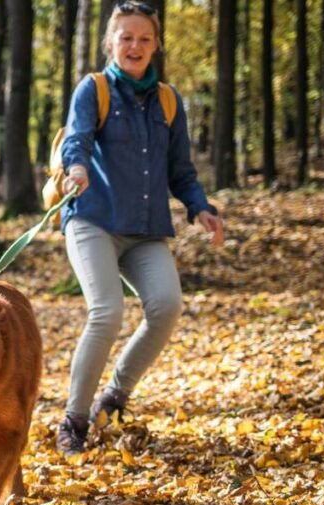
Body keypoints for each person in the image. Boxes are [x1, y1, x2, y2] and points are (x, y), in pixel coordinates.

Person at [55, 1, 225, 456]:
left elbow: (180, 169)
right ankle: (73, 421)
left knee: (166, 306)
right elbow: (77, 139)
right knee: (106, 312)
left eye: (144, 38)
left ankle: (114, 398)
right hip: (93, 220)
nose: (135, 45)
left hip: (145, 230)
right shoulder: (94, 89)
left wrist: (200, 208)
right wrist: (77, 169)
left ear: (155, 45)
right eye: (126, 37)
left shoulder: (168, 101)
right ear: (111, 42)